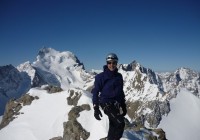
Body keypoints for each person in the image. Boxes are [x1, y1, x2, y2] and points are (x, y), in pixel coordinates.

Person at [91, 53, 127, 140]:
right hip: (106, 103)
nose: (112, 65)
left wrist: (123, 105)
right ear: (107, 63)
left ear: (116, 63)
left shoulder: (119, 76)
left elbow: (120, 92)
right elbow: (95, 92)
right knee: (120, 123)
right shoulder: (100, 77)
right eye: (109, 63)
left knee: (113, 124)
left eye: (114, 63)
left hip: (116, 104)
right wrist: (96, 108)